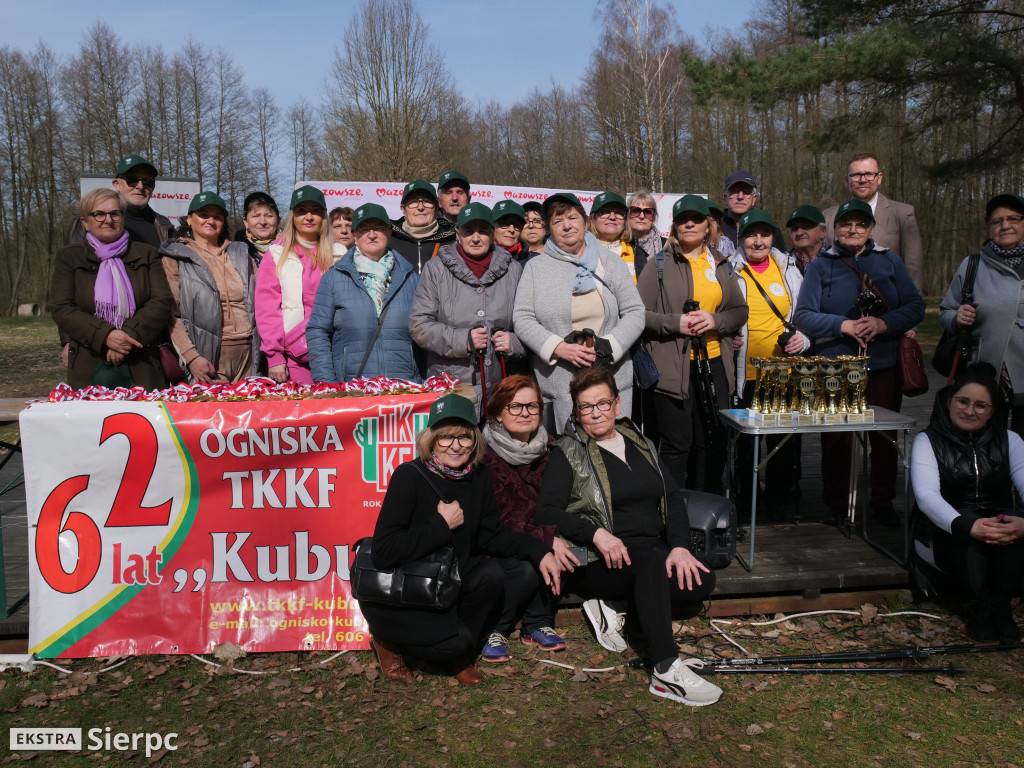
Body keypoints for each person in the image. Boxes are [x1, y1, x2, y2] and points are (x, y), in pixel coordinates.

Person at [535, 366, 722, 706]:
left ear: (617, 404)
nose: (596, 413)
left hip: (647, 552)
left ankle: (615, 605)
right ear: (576, 412)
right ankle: (666, 668)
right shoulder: (568, 452)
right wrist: (595, 534)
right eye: (586, 407)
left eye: (603, 403)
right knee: (651, 564)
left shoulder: (641, 443)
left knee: (700, 580)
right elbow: (546, 513)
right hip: (599, 559)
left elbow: (673, 497)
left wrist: (679, 546)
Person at [361, 393, 561, 685]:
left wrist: (540, 549)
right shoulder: (409, 476)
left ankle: (456, 649)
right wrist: (442, 524)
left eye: (464, 437)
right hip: (409, 592)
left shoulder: (478, 477)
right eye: (445, 437)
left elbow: (493, 535)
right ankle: (388, 642)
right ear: (431, 439)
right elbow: (384, 551)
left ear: (475, 440)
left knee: (490, 574)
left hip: (448, 585)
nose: (455, 446)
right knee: (453, 643)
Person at [794, 198, 925, 526]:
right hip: (836, 366)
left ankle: (883, 501)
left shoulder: (889, 262)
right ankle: (836, 503)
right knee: (837, 438)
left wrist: (885, 324)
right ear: (835, 228)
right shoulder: (822, 265)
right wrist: (843, 325)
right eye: (846, 223)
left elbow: (915, 306)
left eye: (861, 224)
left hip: (882, 365)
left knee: (884, 439)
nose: (853, 229)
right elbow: (805, 315)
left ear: (870, 229)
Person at [636, 194, 747, 491]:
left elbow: (739, 311)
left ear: (708, 225)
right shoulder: (658, 264)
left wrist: (715, 321)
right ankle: (675, 518)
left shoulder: (721, 265)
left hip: (715, 365)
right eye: (682, 219)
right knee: (677, 446)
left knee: (712, 442)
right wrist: (675, 323)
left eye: (696, 219)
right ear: (674, 227)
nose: (689, 224)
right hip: (673, 368)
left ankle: (707, 514)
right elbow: (636, 314)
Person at [512, 192, 645, 433]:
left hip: (611, 376)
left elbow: (635, 311)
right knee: (570, 455)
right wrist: (558, 347)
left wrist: (609, 346)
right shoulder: (536, 267)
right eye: (557, 221)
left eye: (572, 218)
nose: (566, 226)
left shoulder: (610, 262)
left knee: (612, 452)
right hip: (560, 380)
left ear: (585, 221)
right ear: (548, 229)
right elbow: (522, 318)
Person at [911, 363, 1023, 642]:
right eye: (963, 401)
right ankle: (978, 608)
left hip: (997, 524)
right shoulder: (927, 440)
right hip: (944, 532)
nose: (970, 410)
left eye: (980, 405)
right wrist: (966, 526)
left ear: (993, 411)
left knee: (1009, 532)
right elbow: (927, 497)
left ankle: (1001, 607)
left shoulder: (1011, 440)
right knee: (972, 541)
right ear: (950, 401)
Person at [479, 375, 577, 661]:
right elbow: (499, 517)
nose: (525, 413)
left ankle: (537, 624)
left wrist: (551, 538)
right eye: (515, 407)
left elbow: (559, 503)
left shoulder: (552, 449)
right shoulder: (484, 455)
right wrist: (545, 539)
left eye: (532, 407)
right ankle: (495, 628)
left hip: (540, 532)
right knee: (527, 565)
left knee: (564, 553)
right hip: (496, 538)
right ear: (498, 413)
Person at [729, 210, 810, 520]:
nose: (758, 240)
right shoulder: (729, 270)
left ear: (773, 238)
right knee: (746, 445)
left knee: (782, 444)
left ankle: (778, 502)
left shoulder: (789, 268)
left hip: (784, 372)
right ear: (742, 239)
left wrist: (802, 338)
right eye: (751, 234)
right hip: (746, 372)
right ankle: (747, 504)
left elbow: (805, 314)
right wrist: (727, 338)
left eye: (764, 234)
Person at [49, 188, 173, 390]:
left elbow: (160, 301)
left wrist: (126, 336)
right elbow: (62, 307)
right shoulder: (70, 258)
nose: (108, 220)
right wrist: (106, 336)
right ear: (84, 222)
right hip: (89, 361)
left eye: (114, 213)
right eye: (99, 214)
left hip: (141, 360)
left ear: (123, 217)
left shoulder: (146, 254)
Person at [409, 202, 523, 412]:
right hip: (452, 384)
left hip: (501, 384)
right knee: (457, 441)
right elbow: (419, 325)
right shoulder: (435, 269)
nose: (476, 238)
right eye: (469, 231)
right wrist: (463, 340)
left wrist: (514, 343)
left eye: (483, 231)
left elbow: (528, 322)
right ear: (457, 234)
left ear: (492, 233)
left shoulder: (514, 270)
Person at [939, 193, 1024, 436]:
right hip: (984, 373)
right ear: (989, 225)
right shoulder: (973, 264)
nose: (1005, 225)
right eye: (997, 221)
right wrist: (957, 318)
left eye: (1013, 219)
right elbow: (945, 312)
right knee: (984, 443)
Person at [307, 203, 420, 382]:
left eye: (378, 228)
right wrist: (326, 382)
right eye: (364, 229)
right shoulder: (334, 278)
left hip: (403, 389)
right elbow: (317, 331)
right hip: (352, 390)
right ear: (355, 235)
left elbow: (424, 330)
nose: (372, 234)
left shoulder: (410, 278)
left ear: (389, 233)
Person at [162, 191, 261, 384]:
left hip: (249, 353)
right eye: (204, 215)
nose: (211, 220)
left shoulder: (241, 254)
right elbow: (170, 315)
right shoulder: (175, 258)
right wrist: (191, 357)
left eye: (217, 216)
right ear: (189, 219)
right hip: (207, 357)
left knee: (247, 412)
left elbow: (262, 302)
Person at [255, 186, 344, 385]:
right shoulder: (276, 254)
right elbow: (267, 309)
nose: (309, 216)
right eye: (302, 210)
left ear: (324, 217)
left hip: (334, 350)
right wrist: (274, 356)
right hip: (294, 357)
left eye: (315, 210)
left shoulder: (340, 254)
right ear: (293, 217)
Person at [823, 152, 924, 293]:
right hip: (840, 305)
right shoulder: (828, 216)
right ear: (847, 180)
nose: (863, 180)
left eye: (869, 174)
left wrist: (911, 309)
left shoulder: (902, 214)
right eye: (856, 175)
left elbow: (914, 266)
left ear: (879, 177)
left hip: (888, 304)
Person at [65, 154, 171, 250]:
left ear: (153, 186)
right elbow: (73, 264)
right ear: (116, 184)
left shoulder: (164, 225)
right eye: (132, 180)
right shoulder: (89, 219)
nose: (140, 186)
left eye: (147, 182)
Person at [389, 178, 456, 273]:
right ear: (403, 208)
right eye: (413, 202)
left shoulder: (453, 241)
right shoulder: (388, 240)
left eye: (427, 201)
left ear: (437, 207)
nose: (420, 207)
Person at [588, 191, 648, 282]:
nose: (612, 217)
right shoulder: (580, 251)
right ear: (593, 219)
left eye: (619, 212)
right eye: (604, 211)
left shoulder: (638, 253)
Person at [720, 170, 786, 252]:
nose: (740, 197)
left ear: (754, 199)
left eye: (746, 192)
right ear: (725, 198)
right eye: (734, 191)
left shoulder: (770, 230)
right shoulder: (713, 227)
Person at [234, 192, 281, 266]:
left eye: (269, 216)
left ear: (278, 221)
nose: (262, 222)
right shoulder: (234, 254)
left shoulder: (293, 249)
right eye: (256, 216)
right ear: (246, 222)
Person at [626, 190, 664, 270]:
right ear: (628, 214)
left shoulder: (667, 247)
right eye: (636, 210)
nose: (641, 216)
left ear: (653, 217)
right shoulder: (619, 245)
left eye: (648, 212)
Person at [786, 204, 827, 275]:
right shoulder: (781, 263)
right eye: (794, 228)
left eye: (806, 227)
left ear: (823, 231)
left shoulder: (837, 260)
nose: (799, 233)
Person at [491, 199, 529, 263]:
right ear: (492, 226)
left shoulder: (532, 260)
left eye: (517, 225)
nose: (511, 230)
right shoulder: (478, 256)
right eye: (504, 224)